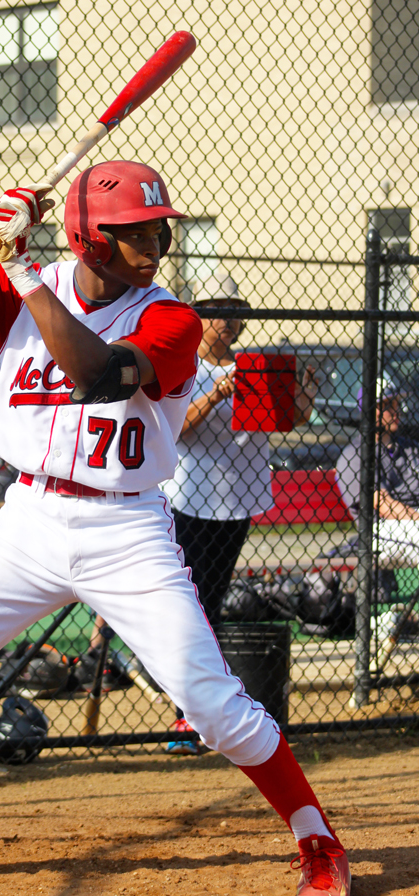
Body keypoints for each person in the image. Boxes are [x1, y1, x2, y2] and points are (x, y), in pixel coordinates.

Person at [0, 161, 350, 896]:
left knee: (211, 703)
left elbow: (98, 373)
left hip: (126, 527)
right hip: (27, 524)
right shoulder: (14, 293)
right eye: (135, 233)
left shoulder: (171, 319)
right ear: (91, 241)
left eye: (158, 229)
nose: (156, 244)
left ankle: (319, 842)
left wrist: (24, 267)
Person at [161, 272, 318, 753]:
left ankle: (202, 713)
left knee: (212, 603)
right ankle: (187, 715)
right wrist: (216, 394)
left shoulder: (253, 365)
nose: (230, 320)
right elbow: (176, 430)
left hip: (238, 501)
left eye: (236, 311)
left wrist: (303, 392)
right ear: (198, 314)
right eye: (218, 310)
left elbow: (289, 421)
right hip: (193, 500)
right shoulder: (184, 367)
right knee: (194, 606)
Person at [337, 373, 419, 567]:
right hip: (380, 531)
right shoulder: (355, 455)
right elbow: (383, 505)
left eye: (396, 403)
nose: (395, 410)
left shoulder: (410, 448)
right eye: (387, 405)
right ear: (369, 410)